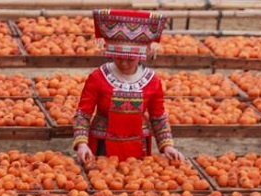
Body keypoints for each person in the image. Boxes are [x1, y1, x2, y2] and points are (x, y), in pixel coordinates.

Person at [73, 9, 184, 166]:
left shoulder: (152, 81)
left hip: (139, 146)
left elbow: (158, 117)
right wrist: (82, 143)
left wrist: (167, 146)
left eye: (130, 60)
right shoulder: (98, 77)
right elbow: (83, 114)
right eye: (119, 58)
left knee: (135, 181)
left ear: (139, 57)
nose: (124, 63)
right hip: (102, 146)